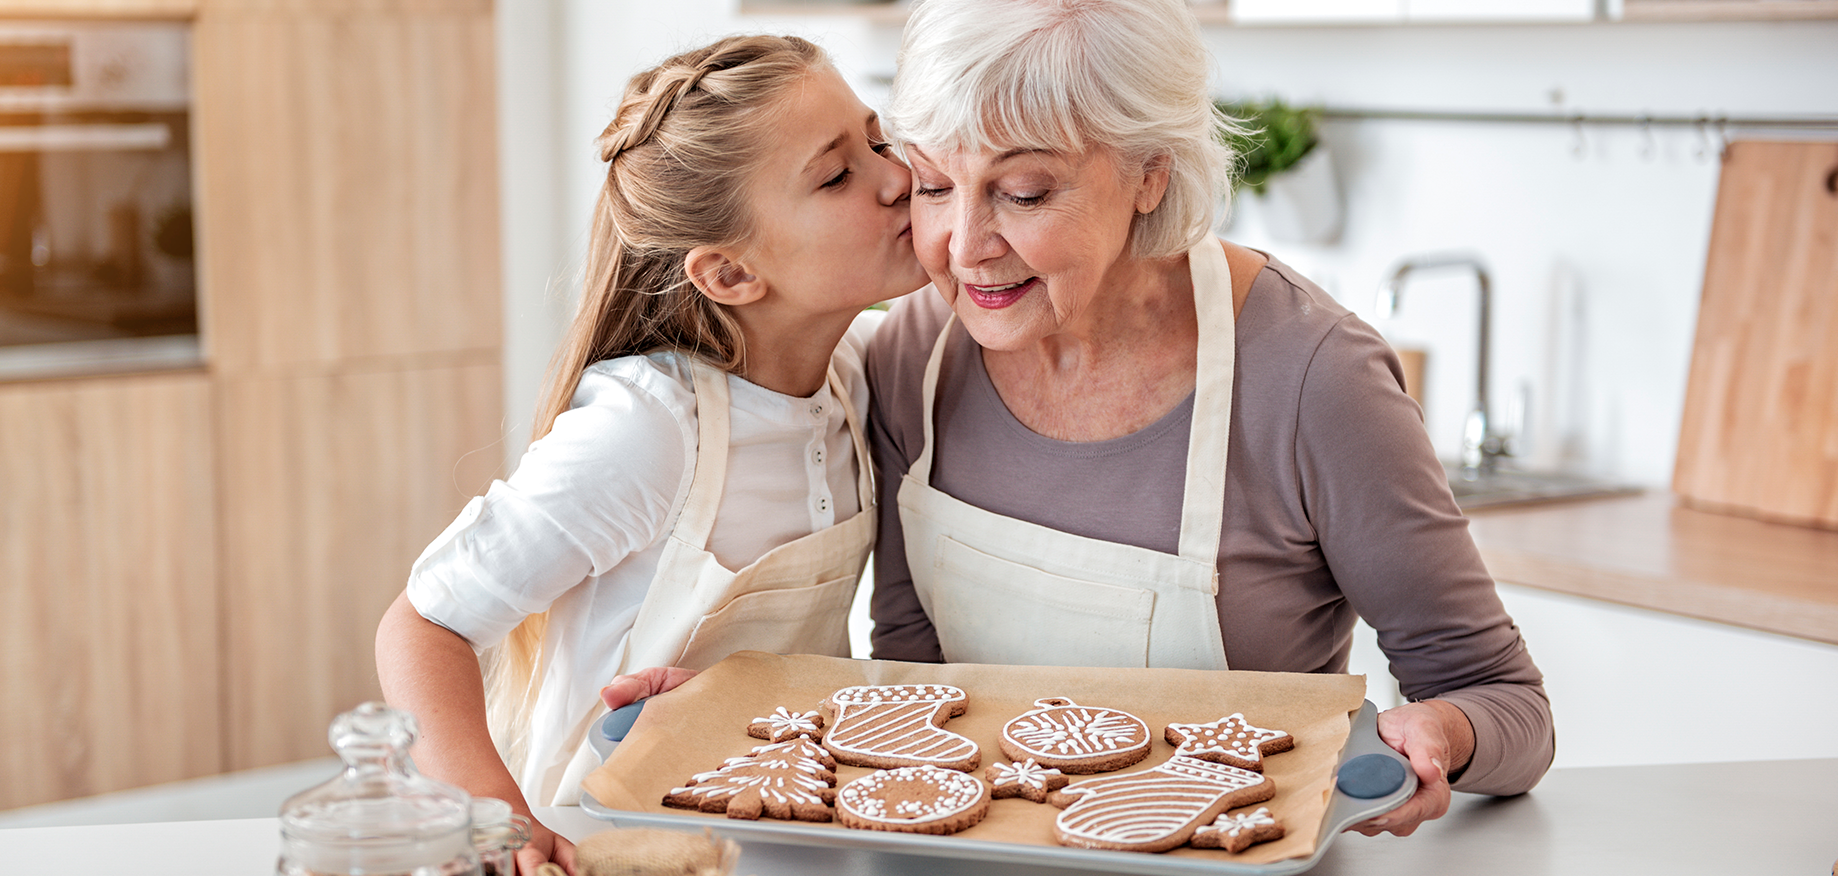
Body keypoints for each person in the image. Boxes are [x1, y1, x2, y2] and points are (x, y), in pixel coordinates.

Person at [866, 0, 1554, 837]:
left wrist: (1442, 731)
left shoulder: (1313, 379)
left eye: (1022, 192)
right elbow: (908, 670)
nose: (963, 244)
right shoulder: (913, 355)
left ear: (1149, 172)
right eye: (934, 185)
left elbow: (1508, 703)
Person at [374, 34, 926, 875]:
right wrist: (498, 819)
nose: (898, 178)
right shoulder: (647, 429)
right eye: (836, 174)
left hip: (783, 834)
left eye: (878, 139)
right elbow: (423, 626)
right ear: (731, 274)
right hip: (610, 844)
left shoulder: (854, 379)